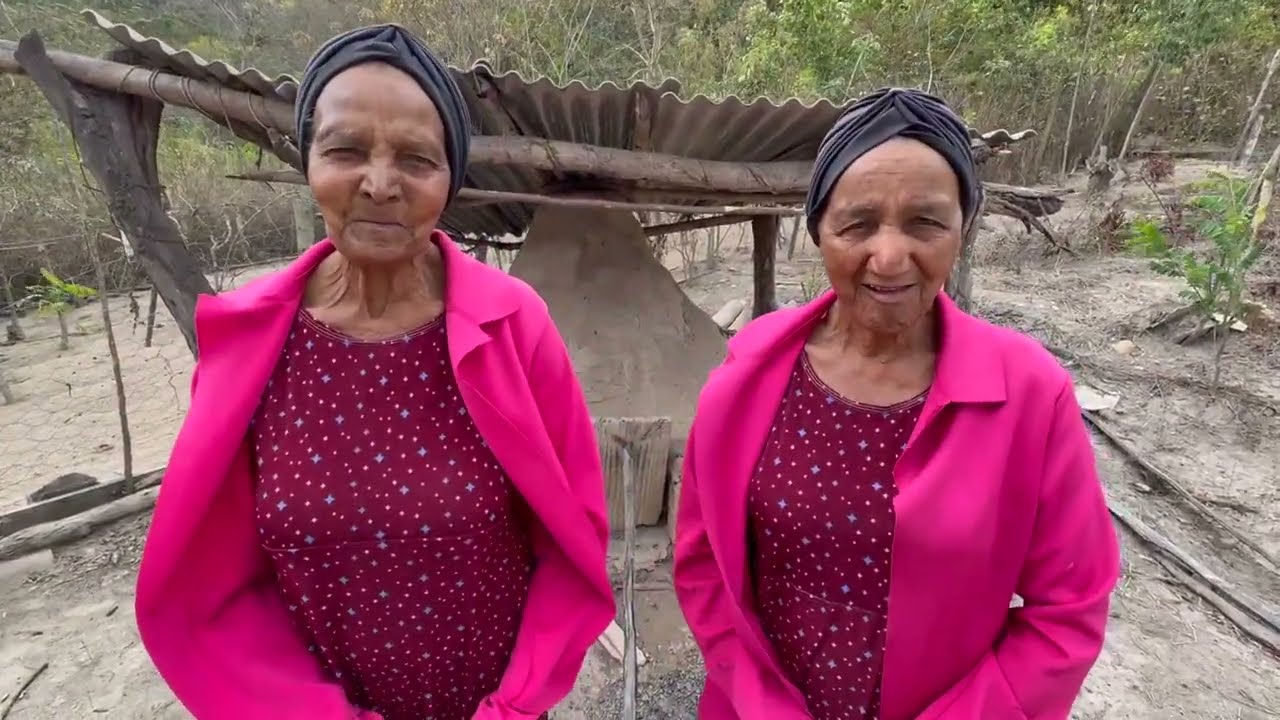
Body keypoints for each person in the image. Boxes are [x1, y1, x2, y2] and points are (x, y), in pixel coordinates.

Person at [134, 25, 615, 720]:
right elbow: (214, 591)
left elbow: (571, 544)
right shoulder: (248, 345)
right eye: (346, 150)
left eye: (417, 159)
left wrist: (511, 706)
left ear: (450, 179)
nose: (380, 184)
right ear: (309, 162)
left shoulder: (513, 325)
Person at [673, 87, 1120, 720]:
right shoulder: (749, 369)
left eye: (925, 223)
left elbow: (1068, 611)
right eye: (857, 224)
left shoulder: (1028, 392)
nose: (888, 257)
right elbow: (704, 565)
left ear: (962, 229)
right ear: (819, 232)